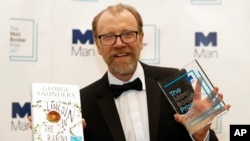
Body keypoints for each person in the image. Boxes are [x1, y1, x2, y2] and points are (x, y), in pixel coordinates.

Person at [80, 3, 230, 141]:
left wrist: (200, 135)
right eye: (108, 36)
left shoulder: (174, 81)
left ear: (141, 39)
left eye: (128, 34)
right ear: (98, 45)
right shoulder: (82, 103)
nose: (119, 43)